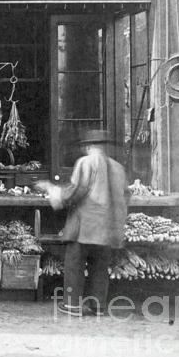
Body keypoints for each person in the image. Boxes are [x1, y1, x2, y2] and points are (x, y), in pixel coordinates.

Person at [39, 129, 128, 317]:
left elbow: (77, 190)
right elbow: (125, 196)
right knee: (100, 267)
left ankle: (72, 305)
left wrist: (54, 192)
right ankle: (98, 306)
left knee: (75, 264)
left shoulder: (86, 163)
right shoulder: (118, 168)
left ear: (88, 146)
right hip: (108, 226)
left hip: (85, 225)